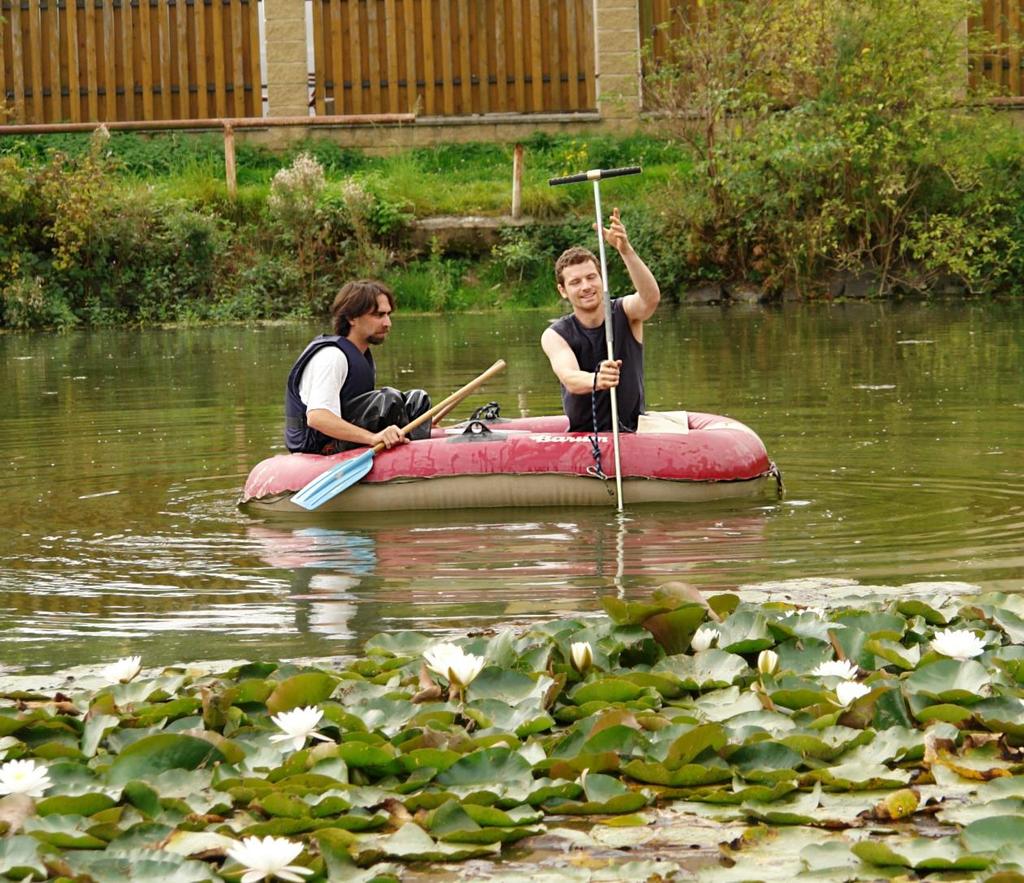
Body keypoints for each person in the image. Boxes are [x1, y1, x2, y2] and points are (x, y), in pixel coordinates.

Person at [541, 208, 661, 433]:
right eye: (575, 282)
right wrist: (597, 379)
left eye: (591, 277)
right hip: (585, 437)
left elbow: (650, 299)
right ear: (563, 290)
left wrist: (625, 250)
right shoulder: (555, 335)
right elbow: (570, 378)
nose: (586, 286)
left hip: (633, 432)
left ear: (601, 279)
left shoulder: (626, 312)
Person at [284, 279, 431, 455]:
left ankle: (422, 452)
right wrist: (373, 438)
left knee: (418, 400)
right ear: (351, 317)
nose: (387, 323)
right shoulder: (332, 357)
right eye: (378, 315)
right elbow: (317, 418)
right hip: (320, 446)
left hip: (343, 438)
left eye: (388, 315)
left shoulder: (361, 355)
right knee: (389, 400)